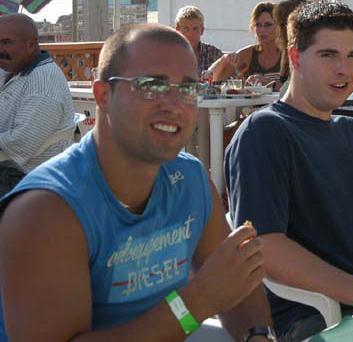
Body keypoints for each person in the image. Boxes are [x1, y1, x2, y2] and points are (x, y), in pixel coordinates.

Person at [0, 24, 274, 342]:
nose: (174, 104)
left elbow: (237, 283)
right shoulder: (45, 211)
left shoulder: (188, 177)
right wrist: (196, 303)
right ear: (103, 94)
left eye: (188, 88)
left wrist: (258, 335)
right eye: (152, 86)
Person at [225, 0, 353, 342]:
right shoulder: (266, 132)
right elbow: (264, 247)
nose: (345, 70)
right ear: (296, 57)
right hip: (327, 319)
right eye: (329, 55)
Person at [0, 13, 75, 194]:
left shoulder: (43, 82)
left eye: (7, 42)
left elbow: (22, 143)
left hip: (25, 179)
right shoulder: (10, 69)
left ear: (31, 44)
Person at [212, 1, 282, 87]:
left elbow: (300, 89)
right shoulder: (249, 54)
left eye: (268, 25)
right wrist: (224, 59)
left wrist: (270, 84)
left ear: (279, 26)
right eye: (258, 25)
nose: (262, 30)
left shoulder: (289, 54)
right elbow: (212, 77)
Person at [174, 5, 223, 74]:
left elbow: (231, 81)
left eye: (195, 29)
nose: (191, 34)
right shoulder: (169, 55)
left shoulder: (214, 54)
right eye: (186, 29)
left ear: (202, 30)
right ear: (178, 30)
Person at [273, 0, 307, 93]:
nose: (279, 30)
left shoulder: (305, 51)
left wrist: (273, 84)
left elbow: (297, 90)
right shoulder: (287, 50)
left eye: (281, 24)